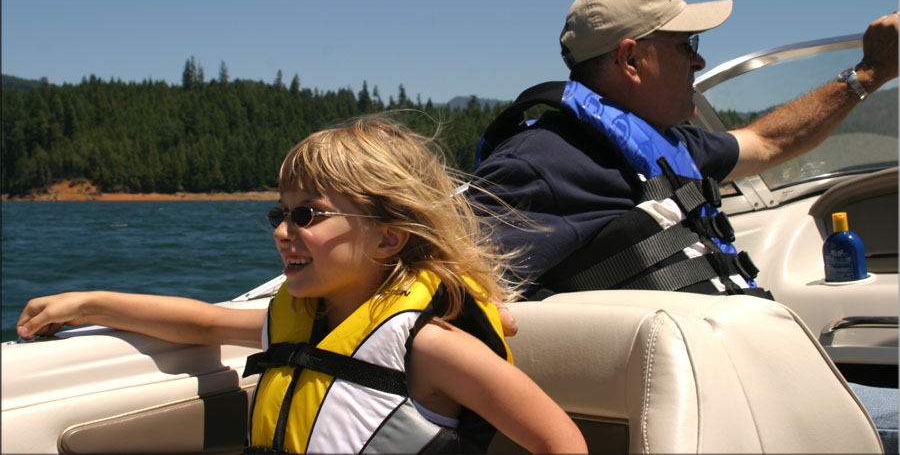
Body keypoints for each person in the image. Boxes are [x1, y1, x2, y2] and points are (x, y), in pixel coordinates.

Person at [16, 116, 587, 454]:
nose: (284, 232)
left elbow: (561, 443)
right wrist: (90, 301)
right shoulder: (302, 320)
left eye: (307, 215)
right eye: (279, 214)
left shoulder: (432, 347)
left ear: (388, 239)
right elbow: (205, 321)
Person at [470, 0, 898, 298]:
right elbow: (454, 290)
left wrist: (868, 75)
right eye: (685, 44)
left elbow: (769, 142)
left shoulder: (671, 145)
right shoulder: (542, 162)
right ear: (631, 58)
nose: (699, 60)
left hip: (733, 353)